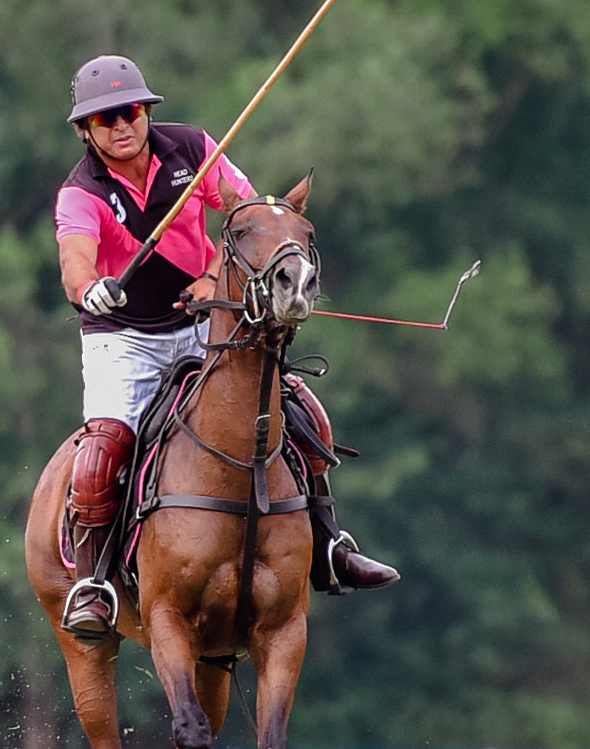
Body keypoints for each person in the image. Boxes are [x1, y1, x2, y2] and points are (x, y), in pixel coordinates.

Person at [55, 54, 399, 641]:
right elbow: (74, 266)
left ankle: (329, 544)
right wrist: (94, 290)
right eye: (106, 118)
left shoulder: (194, 150)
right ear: (87, 129)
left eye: (130, 111)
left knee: (301, 410)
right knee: (103, 449)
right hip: (125, 340)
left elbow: (245, 218)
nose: (121, 125)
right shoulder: (80, 193)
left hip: (204, 323)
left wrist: (215, 279)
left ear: (146, 112)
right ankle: (96, 582)